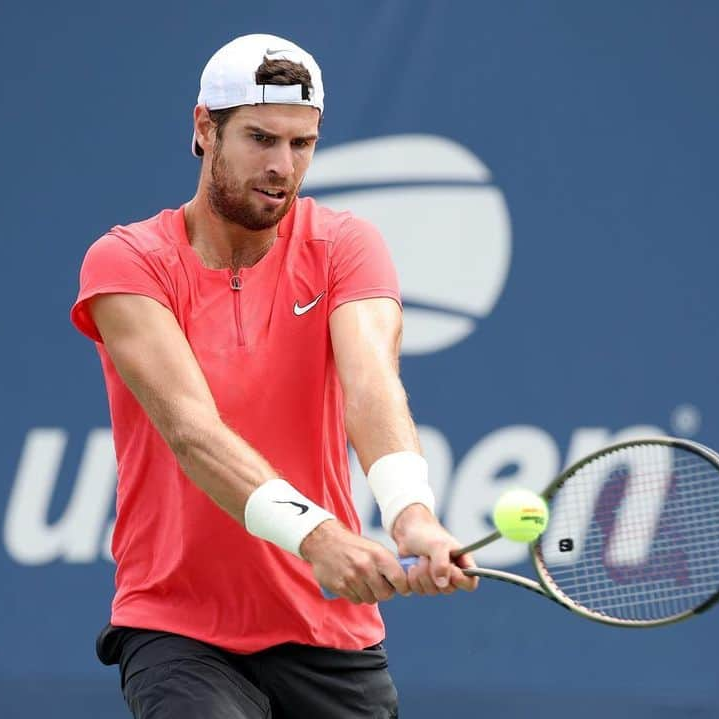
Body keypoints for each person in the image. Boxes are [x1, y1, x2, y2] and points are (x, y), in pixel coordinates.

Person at [70, 33, 477, 718]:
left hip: (327, 629)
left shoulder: (347, 245)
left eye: (302, 143)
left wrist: (412, 515)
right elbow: (192, 431)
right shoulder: (126, 261)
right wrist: (318, 535)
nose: (283, 165)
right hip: (178, 625)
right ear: (205, 128)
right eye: (261, 138)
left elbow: (372, 384)